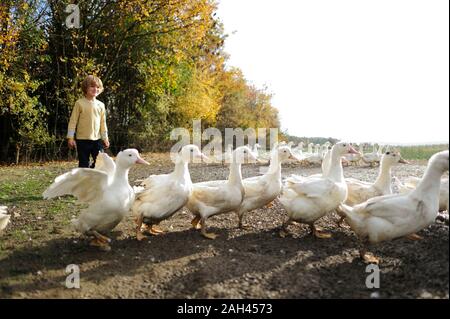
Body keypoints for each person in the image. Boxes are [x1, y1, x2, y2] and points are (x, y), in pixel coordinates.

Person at [67, 75, 110, 168]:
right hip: (82, 140)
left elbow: (103, 123)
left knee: (100, 163)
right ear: (85, 88)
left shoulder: (101, 105)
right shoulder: (79, 103)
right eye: (92, 86)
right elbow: (73, 121)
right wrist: (70, 137)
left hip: (97, 140)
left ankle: (93, 175)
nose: (95, 89)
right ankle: (84, 180)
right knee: (83, 164)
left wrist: (105, 138)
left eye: (98, 87)